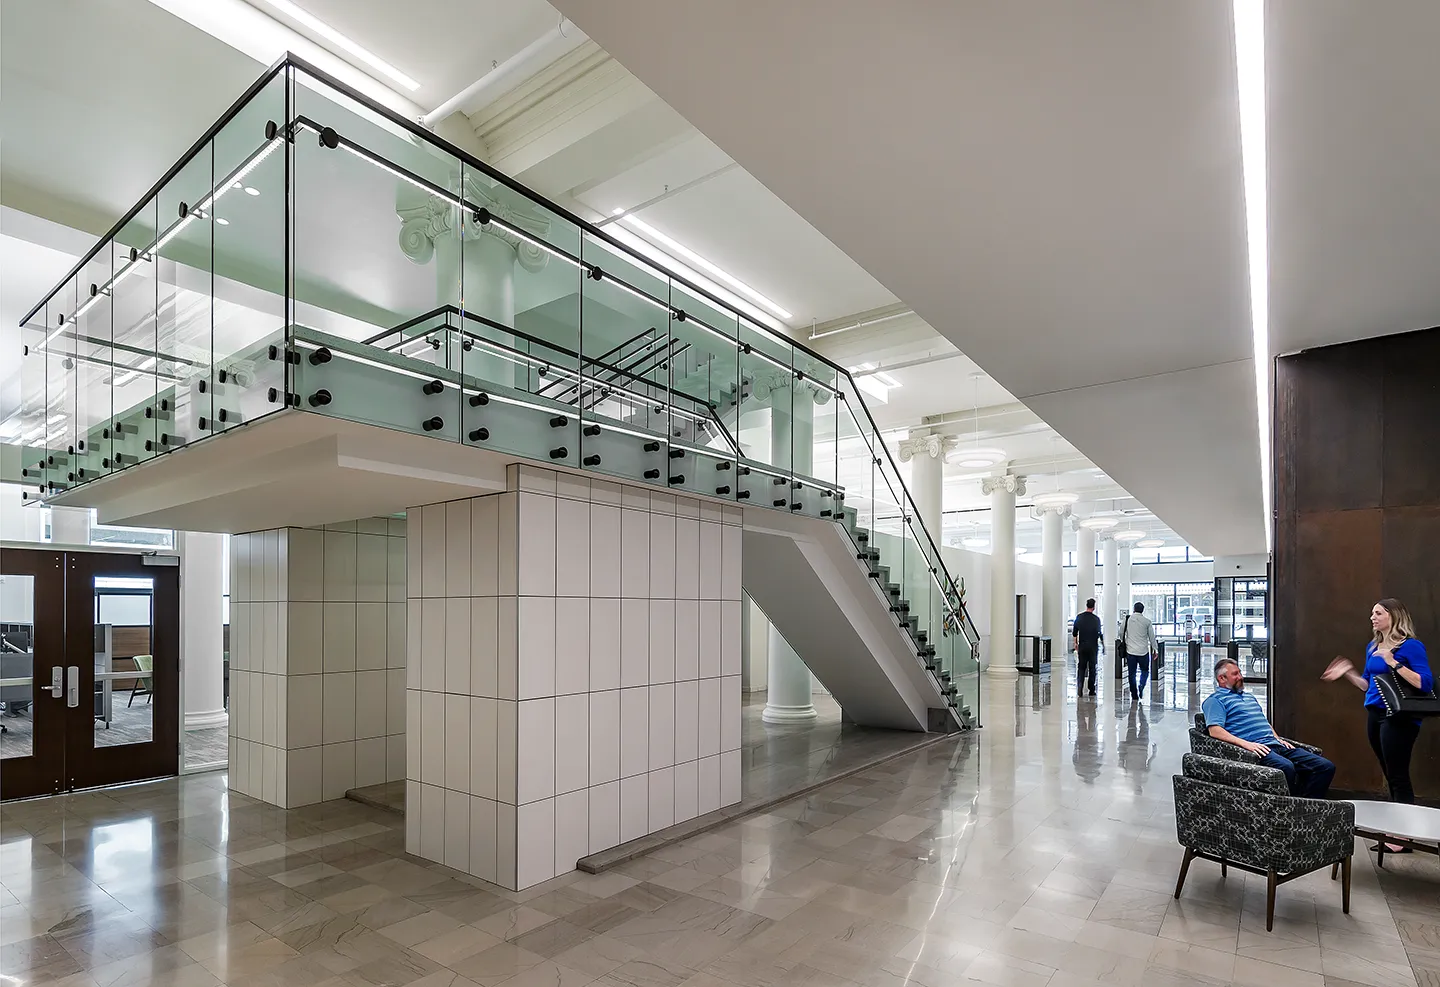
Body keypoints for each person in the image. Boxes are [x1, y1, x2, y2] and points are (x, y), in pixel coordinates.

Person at [1323, 599, 1432, 850]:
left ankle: (1403, 837)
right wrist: (1348, 672)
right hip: (1375, 714)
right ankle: (1397, 833)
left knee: (1398, 776)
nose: (1372, 617)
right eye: (1371, 613)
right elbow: (1366, 684)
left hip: (1399, 717)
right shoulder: (1373, 646)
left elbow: (1424, 683)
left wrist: (1394, 661)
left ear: (1394, 616)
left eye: (1378, 613)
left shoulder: (1411, 646)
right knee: (1389, 772)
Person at [1204, 657, 1336, 798]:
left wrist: (1277, 738)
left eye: (1240, 673)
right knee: (1286, 767)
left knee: (1325, 767)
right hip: (1258, 749)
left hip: (1275, 744)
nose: (1241, 677)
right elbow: (1215, 731)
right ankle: (1289, 807)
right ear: (1222, 678)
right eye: (1235, 674)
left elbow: (1263, 721)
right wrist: (1247, 744)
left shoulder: (1249, 697)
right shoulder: (1215, 701)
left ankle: (1306, 805)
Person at [1119, 602, 1158, 701]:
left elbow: (1120, 632)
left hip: (1130, 651)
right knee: (1145, 671)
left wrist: (1125, 642)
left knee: (1131, 673)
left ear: (1134, 609)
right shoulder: (1147, 621)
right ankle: (1141, 685)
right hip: (1143, 652)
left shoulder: (1127, 620)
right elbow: (1152, 637)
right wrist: (1155, 649)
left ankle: (1134, 694)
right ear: (1142, 610)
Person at [1071, 598, 1103, 698]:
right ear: (1094, 607)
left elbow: (1074, 632)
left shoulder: (1079, 617)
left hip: (1083, 646)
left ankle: (1080, 687)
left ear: (1086, 605)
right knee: (1092, 668)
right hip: (1093, 647)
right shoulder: (1096, 619)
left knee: (1081, 667)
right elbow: (1099, 633)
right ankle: (1091, 689)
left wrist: (1075, 643)